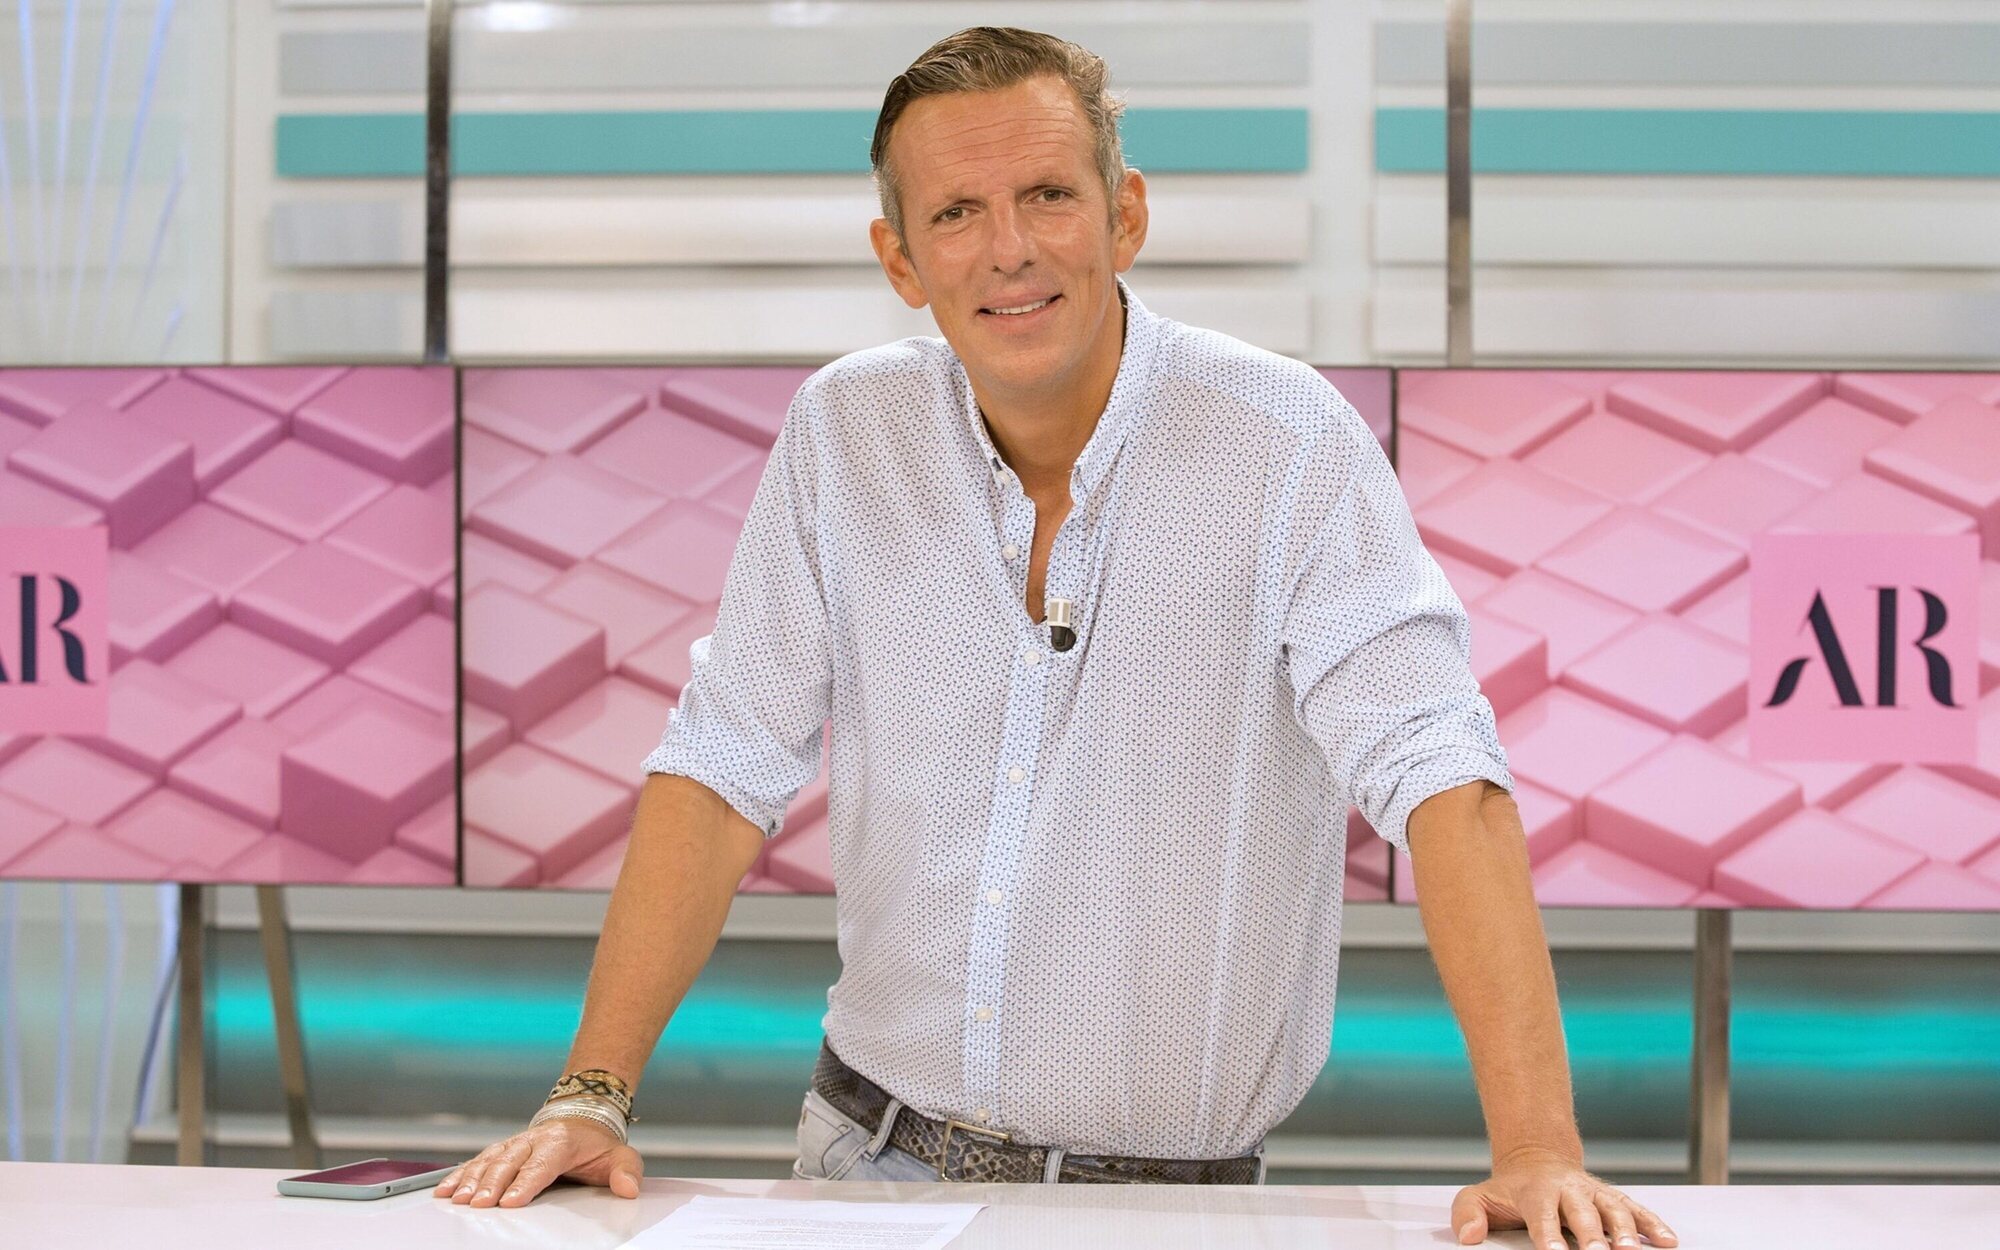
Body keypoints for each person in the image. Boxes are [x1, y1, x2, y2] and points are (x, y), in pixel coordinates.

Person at [436, 26, 1677, 1249]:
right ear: (900, 258)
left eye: (1046, 195)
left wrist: (1534, 1146)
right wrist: (588, 1094)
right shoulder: (843, 434)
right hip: (863, 1168)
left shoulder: (1286, 444)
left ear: (1123, 212)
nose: (1010, 249)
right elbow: (719, 767)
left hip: (1177, 1209)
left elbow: (1440, 777)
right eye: (956, 213)